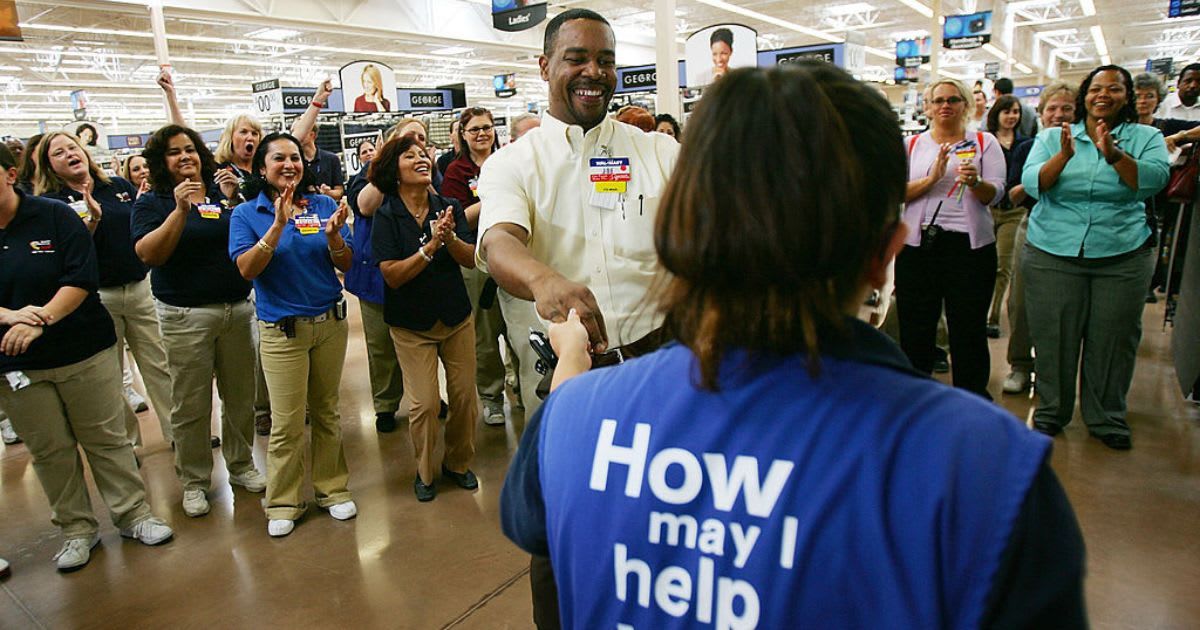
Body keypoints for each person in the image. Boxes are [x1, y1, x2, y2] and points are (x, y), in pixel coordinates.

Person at [501, 63, 1087, 629]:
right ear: (886, 253)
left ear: (677, 232)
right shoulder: (988, 473)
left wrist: (573, 366)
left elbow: (535, 524)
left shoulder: (570, 421)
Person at [477, 9, 680, 628]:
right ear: (544, 67)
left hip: (660, 366)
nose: (594, 72)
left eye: (606, 60)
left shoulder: (659, 152)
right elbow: (499, 242)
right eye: (577, 58)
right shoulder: (516, 162)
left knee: (664, 517)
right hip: (573, 375)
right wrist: (545, 279)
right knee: (562, 526)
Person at [0, 144, 174, 572]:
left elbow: (80, 276)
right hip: (17, 363)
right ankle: (77, 530)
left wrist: (39, 320)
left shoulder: (53, 215)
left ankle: (134, 513)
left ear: (8, 174)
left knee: (106, 437)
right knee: (49, 450)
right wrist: (6, 316)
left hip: (82, 347)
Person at [1020, 65, 1170, 449]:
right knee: (1053, 333)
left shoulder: (1146, 136)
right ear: (1084, 95)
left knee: (1113, 337)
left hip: (1121, 251)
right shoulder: (1055, 136)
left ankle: (1106, 417)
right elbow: (1034, 184)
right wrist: (1064, 156)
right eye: (1096, 88)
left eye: (1114, 89)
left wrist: (1114, 154)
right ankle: (1052, 411)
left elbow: (1152, 182)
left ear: (1128, 96)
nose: (1103, 95)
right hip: (1053, 248)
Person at [130, 124, 267, 517]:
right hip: (185, 315)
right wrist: (179, 210)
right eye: (174, 152)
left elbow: (243, 238)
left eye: (190, 149)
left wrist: (231, 200)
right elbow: (149, 254)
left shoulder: (221, 197)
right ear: (162, 161)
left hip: (237, 310)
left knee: (239, 398)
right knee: (190, 405)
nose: (185, 157)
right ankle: (194, 481)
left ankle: (241, 465)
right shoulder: (152, 202)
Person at [229, 132, 357, 537]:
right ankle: (283, 501)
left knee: (327, 412)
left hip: (330, 324)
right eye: (279, 159)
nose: (290, 165)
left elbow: (347, 262)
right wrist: (277, 226)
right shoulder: (247, 214)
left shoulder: (322, 205)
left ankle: (332, 490)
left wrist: (335, 237)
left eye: (296, 158)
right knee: (286, 423)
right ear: (261, 168)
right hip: (282, 332)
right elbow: (247, 269)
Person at [34, 132, 176, 447]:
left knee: (159, 365)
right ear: (49, 166)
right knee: (109, 376)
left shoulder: (118, 188)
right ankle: (127, 443)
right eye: (59, 152)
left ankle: (177, 432)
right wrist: (92, 221)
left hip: (139, 287)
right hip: (97, 297)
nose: (70, 153)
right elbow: (63, 254)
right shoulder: (50, 205)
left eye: (73, 147)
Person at [370, 134, 480, 502]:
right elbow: (392, 275)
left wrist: (449, 239)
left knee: (464, 396)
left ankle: (458, 464)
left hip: (455, 316)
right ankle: (425, 472)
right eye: (409, 156)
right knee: (425, 405)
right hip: (411, 325)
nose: (421, 159)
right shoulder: (386, 215)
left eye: (423, 153)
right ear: (393, 170)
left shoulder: (448, 205)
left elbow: (469, 259)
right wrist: (431, 248)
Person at [898, 78, 1004, 398]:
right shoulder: (912, 145)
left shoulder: (985, 142)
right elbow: (895, 192)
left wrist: (975, 183)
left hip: (970, 249)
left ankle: (971, 399)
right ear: (927, 107)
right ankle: (916, 399)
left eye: (954, 100)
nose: (946, 105)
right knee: (916, 328)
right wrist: (931, 179)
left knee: (968, 329)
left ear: (965, 106)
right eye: (939, 100)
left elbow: (995, 195)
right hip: (919, 247)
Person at [1000, 82, 1078, 395]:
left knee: (1067, 307)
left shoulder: (1094, 146)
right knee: (1021, 301)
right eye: (1052, 109)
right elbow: (1016, 194)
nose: (1059, 115)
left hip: (1079, 232)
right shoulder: (1027, 147)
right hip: (1033, 225)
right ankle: (1020, 364)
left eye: (1067, 109)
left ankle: (1054, 374)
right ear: (1042, 114)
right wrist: (1046, 176)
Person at [442, 107, 516, 427]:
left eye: (487, 127)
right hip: (476, 257)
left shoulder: (510, 161)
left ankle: (528, 387)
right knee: (485, 334)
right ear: (463, 134)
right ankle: (491, 396)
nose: (482, 133)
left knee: (520, 326)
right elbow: (456, 218)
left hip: (516, 252)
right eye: (474, 129)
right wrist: (495, 200)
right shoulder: (456, 172)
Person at [345, 137, 407, 433]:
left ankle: (425, 395)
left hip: (416, 273)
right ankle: (385, 404)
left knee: (421, 341)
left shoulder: (426, 173)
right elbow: (365, 207)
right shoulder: (368, 174)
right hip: (375, 277)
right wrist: (383, 167)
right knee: (381, 345)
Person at [1136, 72, 1198, 304]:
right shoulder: (1118, 127)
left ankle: (1150, 282)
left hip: (1159, 192)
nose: (1142, 101)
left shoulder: (1165, 126)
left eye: (1148, 96)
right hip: (1128, 192)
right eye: (1138, 96)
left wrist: (1179, 136)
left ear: (1158, 100)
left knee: (1156, 238)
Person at [984, 95, 1028, 339]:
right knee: (983, 263)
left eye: (1016, 112)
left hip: (1014, 211)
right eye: (1007, 111)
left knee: (1003, 265)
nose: (1012, 116)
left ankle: (992, 317)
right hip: (987, 209)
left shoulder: (1025, 143)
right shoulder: (985, 142)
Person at [300, 127, 344, 201]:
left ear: (312, 135)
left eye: (300, 130)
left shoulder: (331, 159)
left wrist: (328, 192)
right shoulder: (295, 162)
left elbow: (339, 191)